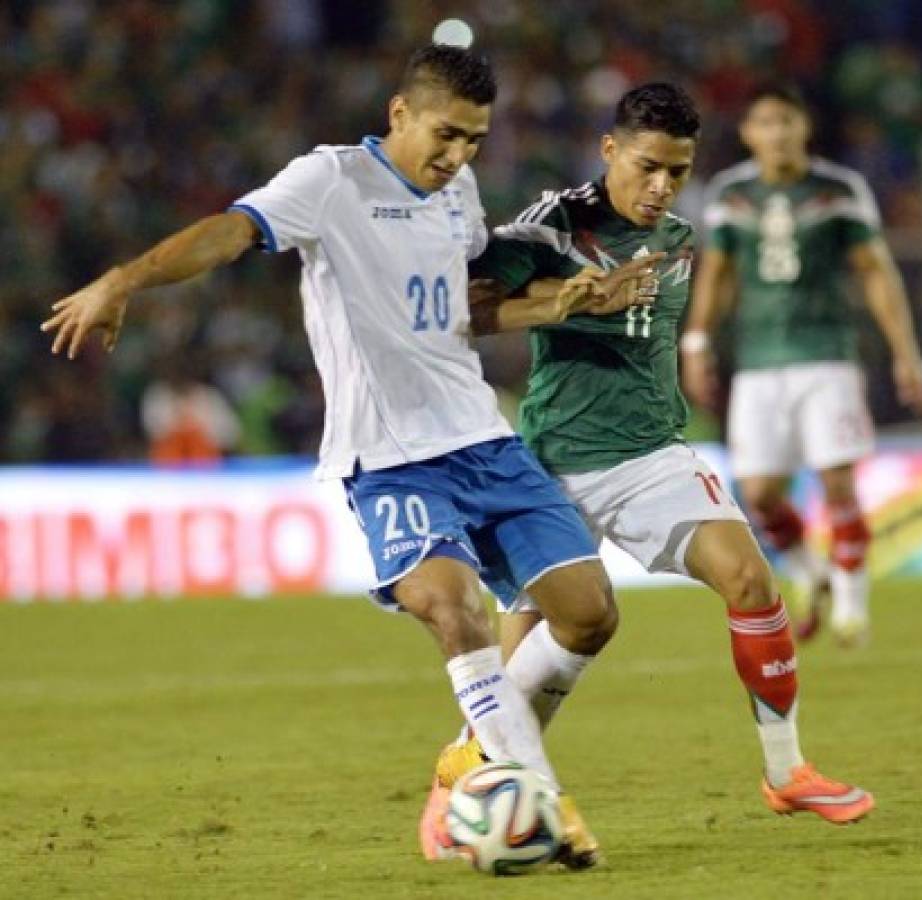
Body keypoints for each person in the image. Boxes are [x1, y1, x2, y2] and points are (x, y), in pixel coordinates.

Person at [41, 43, 646, 867]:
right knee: (452, 604)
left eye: (473, 139)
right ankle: (535, 793)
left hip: (481, 435)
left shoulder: (457, 192)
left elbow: (464, 314)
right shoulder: (327, 181)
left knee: (590, 613)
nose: (458, 155)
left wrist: (559, 303)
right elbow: (228, 232)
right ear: (398, 113)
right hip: (388, 453)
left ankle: (474, 753)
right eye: (445, 135)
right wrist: (124, 280)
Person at [420, 83, 874, 863]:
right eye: (648, 166)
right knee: (533, 662)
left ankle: (785, 770)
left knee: (752, 583)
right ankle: (462, 781)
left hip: (653, 455)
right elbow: (468, 304)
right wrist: (568, 301)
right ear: (608, 151)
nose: (661, 185)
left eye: (678, 170)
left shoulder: (682, 236)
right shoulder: (555, 225)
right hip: (552, 469)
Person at [682, 83, 922, 645]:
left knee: (836, 481)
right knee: (761, 491)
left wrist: (905, 350)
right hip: (759, 358)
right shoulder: (731, 193)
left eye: (785, 121)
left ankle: (851, 607)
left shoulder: (839, 189)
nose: (776, 133)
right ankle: (808, 571)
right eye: (764, 122)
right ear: (748, 133)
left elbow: (875, 269)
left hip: (828, 354)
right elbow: (717, 275)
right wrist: (696, 343)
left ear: (804, 127)